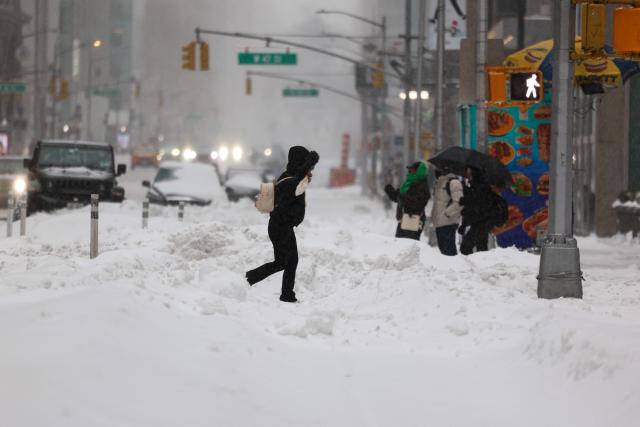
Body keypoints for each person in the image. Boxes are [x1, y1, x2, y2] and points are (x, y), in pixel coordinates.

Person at [245, 146, 319, 303]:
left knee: (282, 262)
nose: (311, 170)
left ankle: (249, 278)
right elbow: (296, 181)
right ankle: (286, 294)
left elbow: (298, 180)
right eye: (307, 165)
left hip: (280, 226)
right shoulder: (292, 180)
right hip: (281, 227)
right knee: (290, 261)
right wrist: (309, 163)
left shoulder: (289, 176)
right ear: (301, 162)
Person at [384, 161, 430, 240]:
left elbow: (418, 203)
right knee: (399, 244)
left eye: (412, 170)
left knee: (409, 245)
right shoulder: (407, 184)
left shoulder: (423, 186)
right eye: (409, 170)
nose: (409, 172)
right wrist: (390, 191)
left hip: (414, 220)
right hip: (404, 219)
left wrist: (403, 197)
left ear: (419, 172)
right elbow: (398, 198)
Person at [459, 167, 495, 255]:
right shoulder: (478, 185)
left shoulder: (479, 186)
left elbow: (474, 206)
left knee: (465, 247)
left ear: (473, 172)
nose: (467, 172)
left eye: (468, 170)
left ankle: (474, 267)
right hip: (482, 223)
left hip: (480, 223)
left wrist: (466, 194)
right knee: (481, 249)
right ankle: (481, 267)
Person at [431, 167, 463, 255]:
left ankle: (454, 268)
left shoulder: (453, 182)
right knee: (443, 251)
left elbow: (459, 202)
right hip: (439, 223)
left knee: (449, 251)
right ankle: (448, 268)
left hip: (448, 222)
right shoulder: (439, 183)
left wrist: (446, 213)